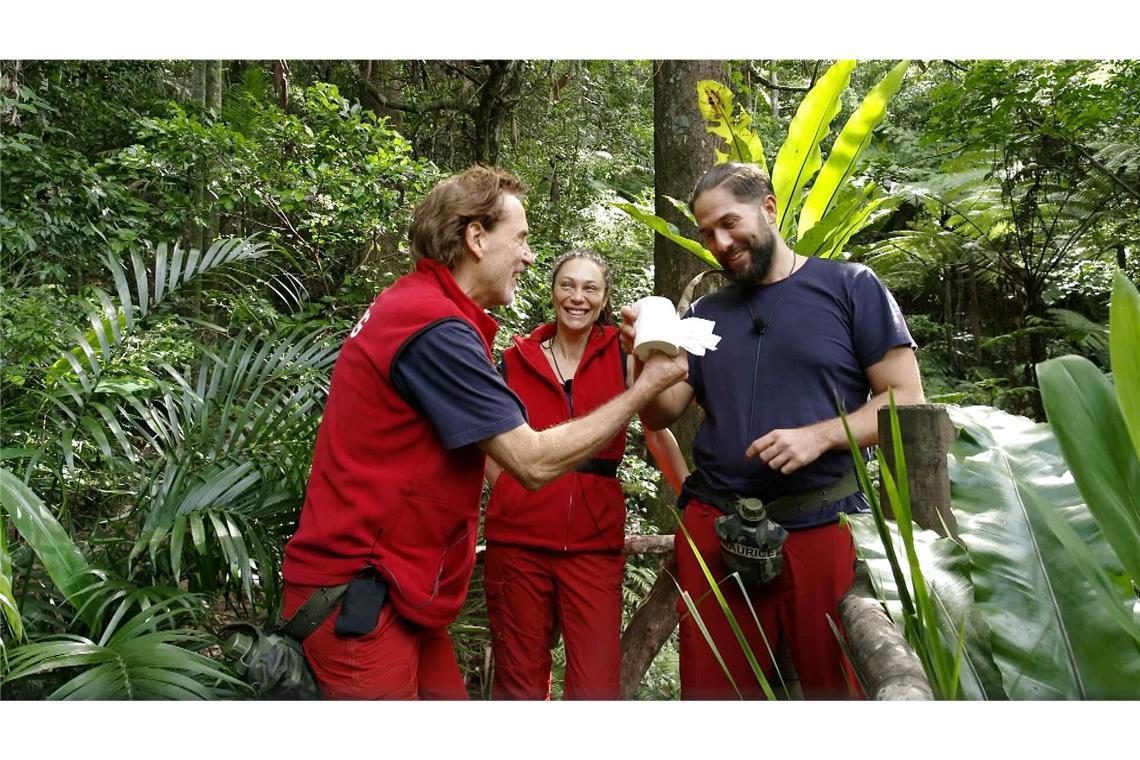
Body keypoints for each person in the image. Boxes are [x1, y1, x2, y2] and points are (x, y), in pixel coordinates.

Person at [281, 166, 689, 700]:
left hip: (404, 595)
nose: (528, 256)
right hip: (361, 596)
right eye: (520, 239)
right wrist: (641, 390)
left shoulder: (424, 309)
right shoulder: (435, 327)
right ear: (476, 238)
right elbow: (531, 459)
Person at [620, 162, 924, 700]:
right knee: (716, 701)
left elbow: (905, 399)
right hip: (718, 526)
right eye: (707, 232)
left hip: (824, 522)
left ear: (768, 206)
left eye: (729, 223)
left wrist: (821, 435)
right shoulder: (704, 314)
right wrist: (642, 354)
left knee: (837, 692)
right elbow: (662, 411)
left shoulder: (851, 286)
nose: (720, 241)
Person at [482, 248, 689, 700]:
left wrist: (689, 497)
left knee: (595, 686)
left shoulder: (623, 354)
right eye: (567, 285)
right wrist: (513, 495)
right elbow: (488, 444)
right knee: (518, 683)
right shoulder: (514, 360)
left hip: (594, 546)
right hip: (516, 545)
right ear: (553, 292)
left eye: (590, 288)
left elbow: (657, 432)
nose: (577, 297)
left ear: (604, 297)